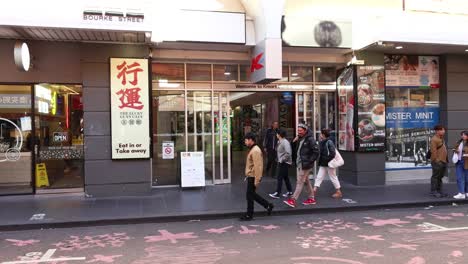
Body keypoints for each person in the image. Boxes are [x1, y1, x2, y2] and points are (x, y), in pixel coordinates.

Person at [284, 123, 319, 208]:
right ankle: (311, 198)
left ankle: (293, 200)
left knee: (299, 182)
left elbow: (316, 152)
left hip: (305, 164)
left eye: (300, 130)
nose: (299, 132)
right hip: (301, 163)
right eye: (298, 130)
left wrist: (309, 161)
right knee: (306, 181)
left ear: (305, 130)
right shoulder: (300, 138)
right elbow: (294, 148)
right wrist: (294, 141)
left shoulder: (310, 139)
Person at [240, 132, 274, 221]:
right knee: (251, 195)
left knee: (249, 196)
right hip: (251, 176)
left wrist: (257, 180)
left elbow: (258, 167)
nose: (245, 142)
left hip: (253, 177)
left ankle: (249, 215)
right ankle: (268, 205)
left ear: (251, 140)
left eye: (246, 140)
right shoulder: (253, 149)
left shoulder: (255, 150)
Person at [314, 128, 342, 199]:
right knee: (319, 177)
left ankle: (338, 192)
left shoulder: (329, 142)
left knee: (333, 177)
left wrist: (327, 160)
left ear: (323, 135)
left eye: (321, 134)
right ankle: (313, 191)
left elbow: (332, 153)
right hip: (324, 163)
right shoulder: (322, 141)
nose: (320, 135)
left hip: (329, 163)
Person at [269, 129, 293, 199]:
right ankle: (290, 191)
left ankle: (277, 193)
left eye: (277, 134)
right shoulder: (280, 141)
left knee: (279, 177)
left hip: (285, 162)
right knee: (285, 177)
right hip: (282, 162)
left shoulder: (285, 142)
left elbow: (288, 153)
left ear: (279, 135)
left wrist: (282, 160)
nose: (276, 135)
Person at [430, 124, 448, 198]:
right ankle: (434, 191)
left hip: (443, 161)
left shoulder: (441, 138)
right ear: (437, 131)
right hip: (438, 162)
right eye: (442, 130)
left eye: (444, 130)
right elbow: (433, 151)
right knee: (435, 177)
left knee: (440, 177)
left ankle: (439, 191)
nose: (444, 131)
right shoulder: (434, 139)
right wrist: (437, 161)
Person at [452, 131, 468, 199]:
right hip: (459, 161)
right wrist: (455, 150)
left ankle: (466, 192)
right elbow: (454, 149)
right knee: (459, 178)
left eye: (464, 135)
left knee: (467, 178)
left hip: (466, 162)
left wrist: (466, 154)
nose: (463, 136)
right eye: (462, 135)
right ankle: (461, 193)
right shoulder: (459, 142)